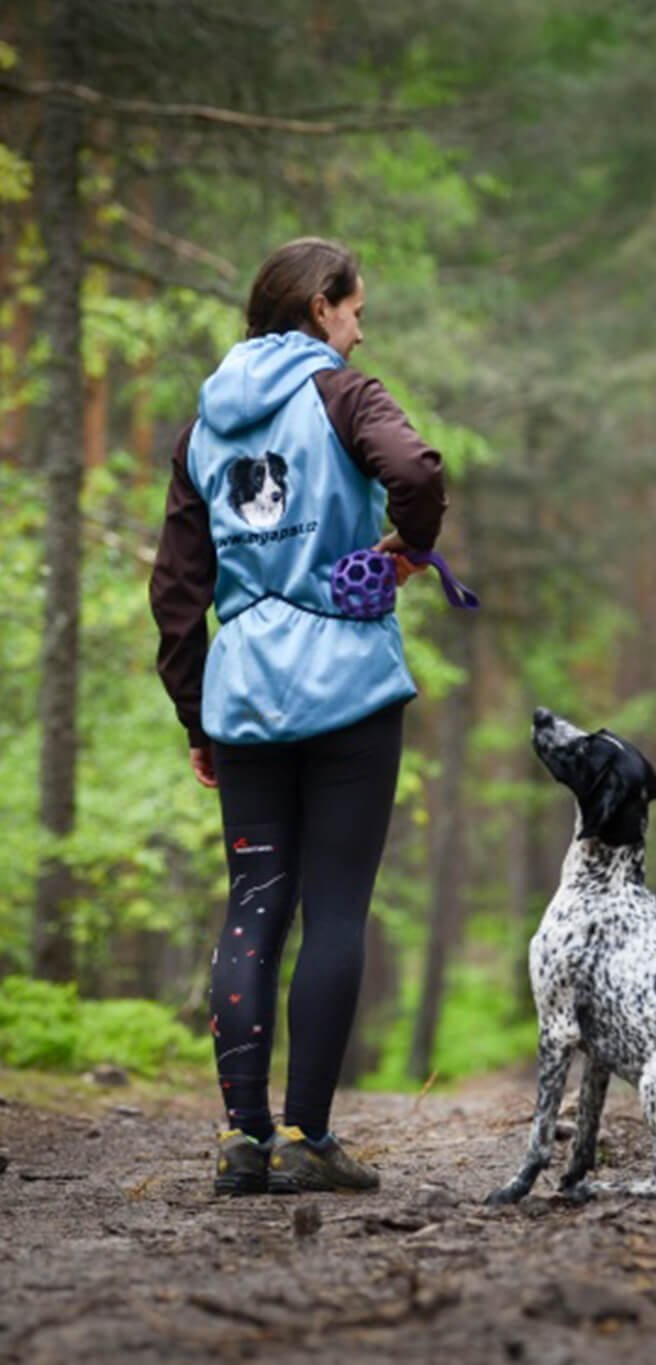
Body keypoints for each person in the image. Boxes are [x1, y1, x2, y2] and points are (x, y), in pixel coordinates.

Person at [149, 237, 447, 1195]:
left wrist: (200, 715)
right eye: (356, 309)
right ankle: (306, 1138)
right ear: (321, 306)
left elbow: (177, 590)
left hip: (244, 694)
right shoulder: (345, 395)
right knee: (337, 909)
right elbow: (418, 468)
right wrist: (408, 549)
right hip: (349, 689)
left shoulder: (204, 424)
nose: (362, 328)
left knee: (253, 905)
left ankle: (242, 1138)